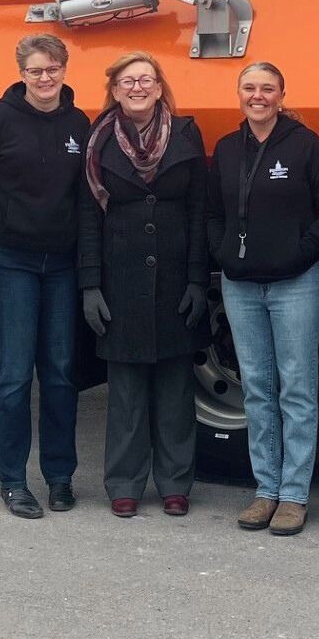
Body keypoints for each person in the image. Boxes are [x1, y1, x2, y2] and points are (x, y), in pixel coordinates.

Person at [0, 34, 92, 519]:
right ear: (22, 73)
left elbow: (84, 193)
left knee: (59, 373)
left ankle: (59, 477)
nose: (45, 78)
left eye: (52, 68)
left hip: (60, 262)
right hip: (8, 258)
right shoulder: (0, 121)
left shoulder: (79, 124)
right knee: (12, 374)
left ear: (64, 69)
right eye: (35, 70)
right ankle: (13, 481)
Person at [207, 62, 319, 536]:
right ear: (239, 94)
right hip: (240, 287)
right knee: (259, 389)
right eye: (250, 88)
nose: (258, 96)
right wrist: (222, 252)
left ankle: (294, 496)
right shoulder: (226, 149)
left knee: (297, 390)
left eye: (267, 89)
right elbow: (211, 213)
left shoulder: (304, 145)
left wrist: (299, 255)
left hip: (296, 285)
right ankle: (265, 490)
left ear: (282, 95)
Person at [77, 52, 209, 518]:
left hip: (175, 278)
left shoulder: (187, 134)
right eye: (128, 81)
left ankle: (175, 483)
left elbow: (199, 211)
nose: (138, 87)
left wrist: (198, 279)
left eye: (146, 80)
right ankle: (125, 484)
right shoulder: (96, 144)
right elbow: (88, 220)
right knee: (127, 393)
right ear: (114, 89)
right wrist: (90, 285)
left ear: (159, 87)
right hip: (120, 279)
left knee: (175, 392)